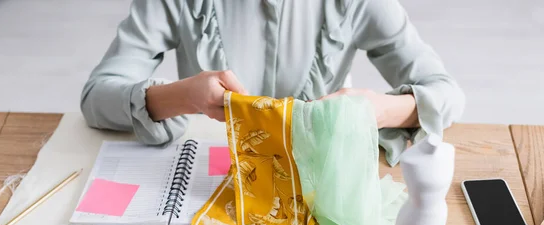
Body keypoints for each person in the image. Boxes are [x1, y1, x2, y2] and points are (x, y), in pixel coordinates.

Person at [81, 0, 464, 166]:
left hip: (316, 194)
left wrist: (380, 109)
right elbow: (97, 96)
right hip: (205, 185)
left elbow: (447, 94)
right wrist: (183, 96)